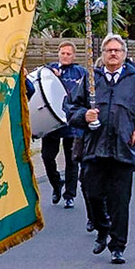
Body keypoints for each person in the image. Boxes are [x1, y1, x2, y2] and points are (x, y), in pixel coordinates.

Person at [62, 33, 135, 264]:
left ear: (124, 55)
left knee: (119, 200)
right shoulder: (90, 80)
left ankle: (118, 245)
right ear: (103, 55)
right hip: (94, 148)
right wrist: (83, 115)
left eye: (117, 50)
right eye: (109, 50)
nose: (113, 54)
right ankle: (102, 228)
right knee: (92, 194)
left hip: (122, 149)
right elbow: (70, 108)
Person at [38, 40, 84, 207]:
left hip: (72, 123)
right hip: (51, 122)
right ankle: (57, 184)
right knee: (47, 157)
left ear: (74, 55)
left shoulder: (80, 72)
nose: (65, 56)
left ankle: (69, 195)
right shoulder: (48, 70)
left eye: (68, 54)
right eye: (63, 53)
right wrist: (51, 75)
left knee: (72, 160)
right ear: (58, 54)